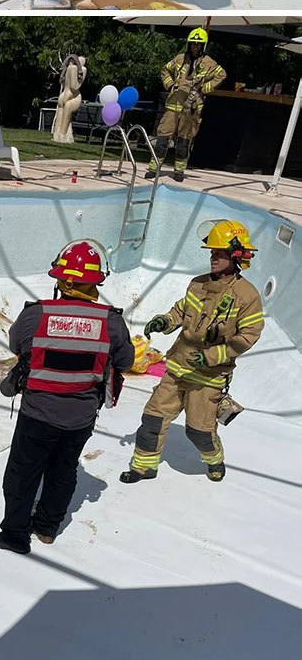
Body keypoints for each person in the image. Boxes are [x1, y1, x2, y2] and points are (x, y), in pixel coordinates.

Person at [0, 240, 134, 554]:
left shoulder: (36, 315)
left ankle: (14, 535)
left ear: (64, 281)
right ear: (94, 282)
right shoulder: (112, 322)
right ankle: (47, 528)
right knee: (64, 470)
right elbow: (126, 362)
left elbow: (17, 345)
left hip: (37, 414)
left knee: (22, 474)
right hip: (80, 418)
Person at [121, 220, 264, 485]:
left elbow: (248, 337)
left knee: (199, 431)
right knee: (153, 418)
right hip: (177, 367)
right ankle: (143, 467)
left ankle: (214, 460)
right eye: (211, 253)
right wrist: (165, 321)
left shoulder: (247, 296)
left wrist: (210, 357)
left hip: (209, 377)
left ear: (236, 256)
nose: (213, 258)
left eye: (219, 253)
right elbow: (182, 310)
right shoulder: (197, 284)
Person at [146, 28, 226, 183]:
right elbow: (165, 70)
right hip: (172, 106)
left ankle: (179, 171)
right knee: (162, 139)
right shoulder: (179, 58)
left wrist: (205, 89)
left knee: (183, 142)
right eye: (193, 44)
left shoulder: (209, 63)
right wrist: (169, 85)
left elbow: (221, 75)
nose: (195, 47)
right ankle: (153, 168)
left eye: (198, 44)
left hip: (191, 108)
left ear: (203, 46)